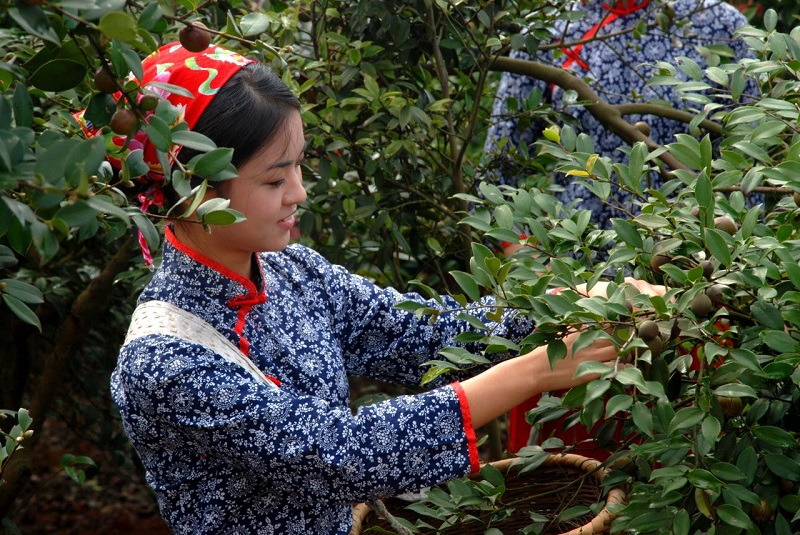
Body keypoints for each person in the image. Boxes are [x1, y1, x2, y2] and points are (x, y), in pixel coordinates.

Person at [94, 42, 663, 534]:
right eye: (274, 178)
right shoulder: (166, 360)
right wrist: (537, 369)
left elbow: (424, 332)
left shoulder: (293, 272)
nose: (299, 192)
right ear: (193, 190)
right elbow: (342, 453)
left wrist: (580, 302)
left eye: (298, 167)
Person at [483, 0, 757, 455]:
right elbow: (495, 175)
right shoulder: (551, 29)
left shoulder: (719, 24)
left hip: (692, 313)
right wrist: (534, 273)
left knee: (688, 470)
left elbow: (756, 165)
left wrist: (729, 271)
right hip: (575, 313)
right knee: (567, 483)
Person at [485, 0, 757, 233]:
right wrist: (531, 264)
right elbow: (497, 164)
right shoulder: (549, 33)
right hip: (581, 268)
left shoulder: (719, 24)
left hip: (695, 258)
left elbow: (752, 158)